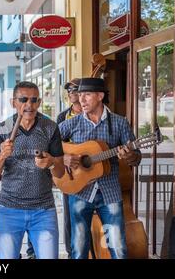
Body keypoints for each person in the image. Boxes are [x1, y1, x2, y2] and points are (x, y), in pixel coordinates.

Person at [59, 77, 141, 259]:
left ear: (100, 96)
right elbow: (49, 143)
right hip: (80, 191)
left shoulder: (119, 123)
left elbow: (136, 158)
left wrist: (129, 155)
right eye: (80, 95)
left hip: (109, 192)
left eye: (86, 95)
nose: (81, 99)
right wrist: (63, 157)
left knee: (118, 248)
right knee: (78, 249)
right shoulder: (72, 123)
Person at [0, 81, 65, 259]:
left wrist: (51, 162)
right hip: (9, 209)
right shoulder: (2, 128)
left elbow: (60, 173)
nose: (29, 105)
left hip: (43, 209)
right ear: (13, 102)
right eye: (23, 99)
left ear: (39, 102)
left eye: (34, 100)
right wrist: (2, 156)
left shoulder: (50, 127)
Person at [55, 78, 82, 259]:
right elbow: (55, 145)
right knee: (70, 213)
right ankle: (72, 252)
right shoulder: (62, 117)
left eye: (75, 89)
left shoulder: (96, 115)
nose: (71, 92)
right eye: (69, 90)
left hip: (90, 168)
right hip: (70, 172)